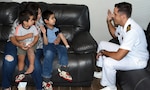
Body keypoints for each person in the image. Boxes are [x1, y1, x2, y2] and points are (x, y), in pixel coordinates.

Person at [94, 2, 149, 90]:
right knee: (102, 44)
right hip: (128, 52)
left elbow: (118, 56)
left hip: (136, 59)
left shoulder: (132, 31)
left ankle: (111, 87)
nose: (113, 16)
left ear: (122, 16)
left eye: (115, 14)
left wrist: (104, 52)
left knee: (108, 62)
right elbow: (115, 34)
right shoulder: (123, 25)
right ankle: (103, 71)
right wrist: (108, 21)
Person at [2, 2, 44, 90]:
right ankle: (6, 86)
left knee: (35, 63)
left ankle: (40, 88)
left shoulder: (41, 22)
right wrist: (18, 44)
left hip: (33, 46)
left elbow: (38, 38)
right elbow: (12, 37)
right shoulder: (20, 21)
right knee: (9, 59)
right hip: (15, 43)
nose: (41, 15)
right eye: (39, 13)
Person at [40, 10, 72, 90]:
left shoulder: (57, 28)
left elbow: (61, 36)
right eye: (52, 18)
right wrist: (44, 33)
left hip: (57, 45)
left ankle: (63, 70)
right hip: (48, 45)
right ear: (46, 21)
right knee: (49, 54)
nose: (55, 19)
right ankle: (46, 81)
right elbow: (46, 43)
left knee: (63, 49)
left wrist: (67, 45)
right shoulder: (44, 29)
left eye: (54, 18)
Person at [14, 10, 39, 82]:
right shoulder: (19, 28)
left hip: (31, 44)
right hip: (22, 44)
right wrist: (26, 36)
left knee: (30, 50)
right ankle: (20, 73)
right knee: (21, 58)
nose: (33, 21)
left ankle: (31, 65)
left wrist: (33, 43)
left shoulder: (33, 27)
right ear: (25, 22)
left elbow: (37, 37)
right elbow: (17, 38)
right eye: (31, 20)